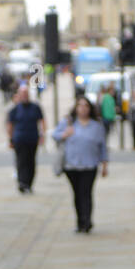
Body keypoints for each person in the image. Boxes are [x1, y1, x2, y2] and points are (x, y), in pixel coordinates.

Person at [52, 96, 108, 232]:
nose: (83, 109)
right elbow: (55, 135)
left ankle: (87, 220)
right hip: (71, 165)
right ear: (76, 108)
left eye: (86, 106)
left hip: (90, 165)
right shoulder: (69, 123)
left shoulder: (97, 126)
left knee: (86, 193)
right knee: (77, 194)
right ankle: (80, 222)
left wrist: (105, 164)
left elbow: (103, 147)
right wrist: (65, 134)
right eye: (80, 105)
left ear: (90, 109)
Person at [5, 83, 45, 193]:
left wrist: (42, 135)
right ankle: (22, 182)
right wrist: (10, 138)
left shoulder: (35, 107)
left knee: (31, 162)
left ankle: (29, 183)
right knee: (21, 161)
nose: (24, 96)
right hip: (19, 139)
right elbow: (10, 124)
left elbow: (42, 121)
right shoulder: (15, 109)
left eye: (26, 94)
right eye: (22, 94)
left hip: (32, 138)